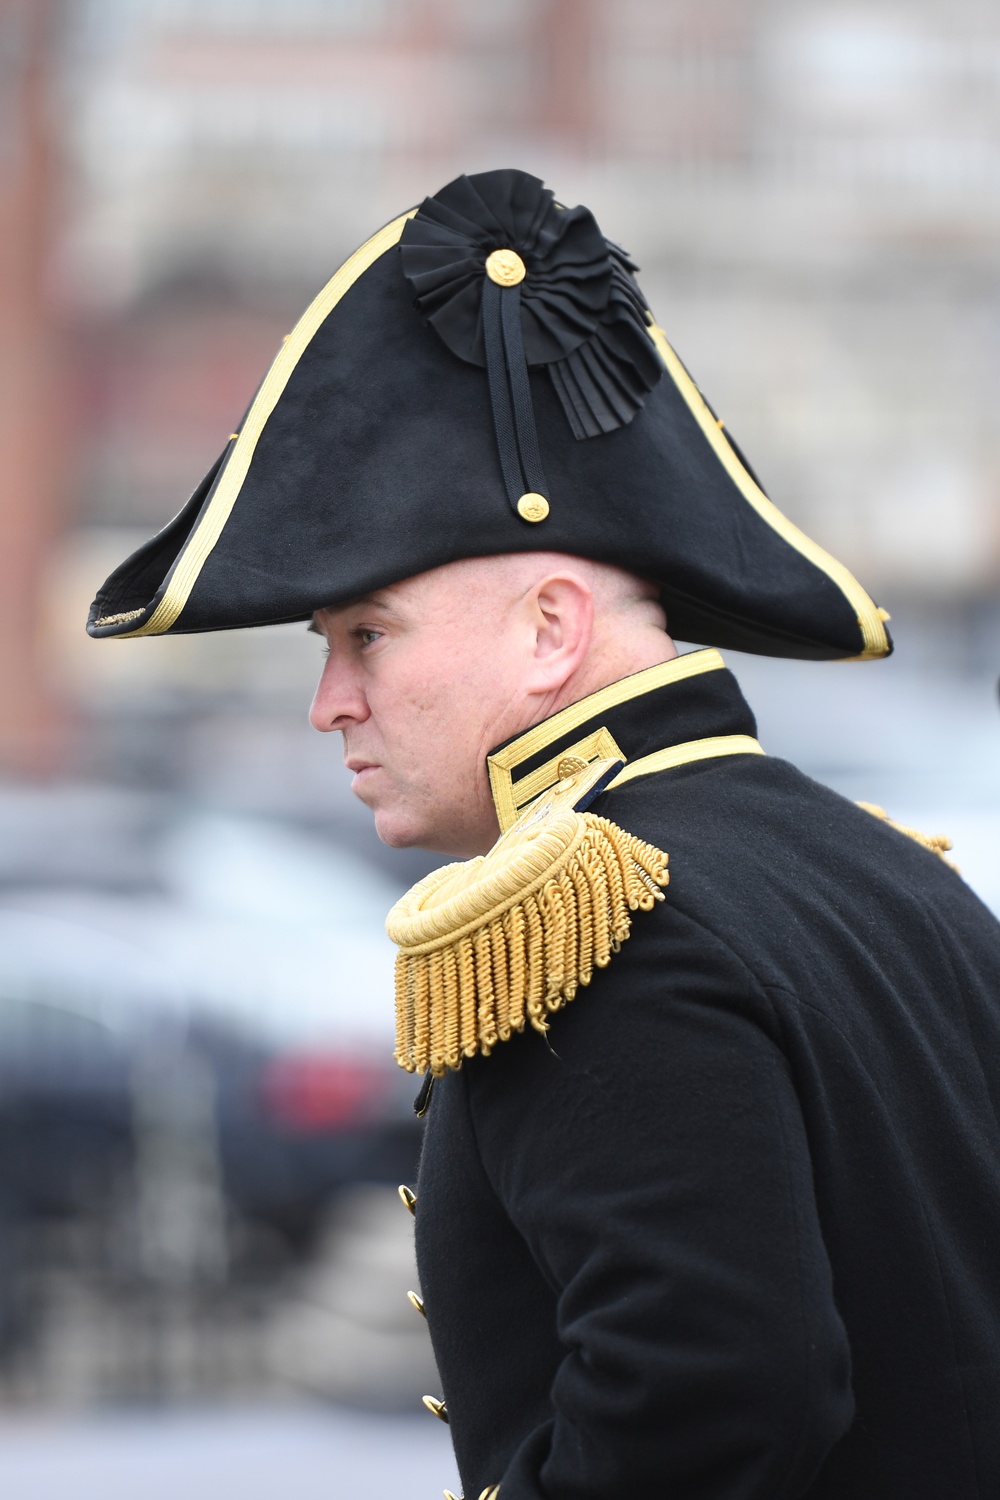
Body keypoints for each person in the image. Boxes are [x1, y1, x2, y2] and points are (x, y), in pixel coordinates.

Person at [88, 170, 1000, 1498]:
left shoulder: (598, 924)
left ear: (552, 631)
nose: (328, 702)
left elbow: (705, 1408)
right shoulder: (879, 873)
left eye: (367, 637)